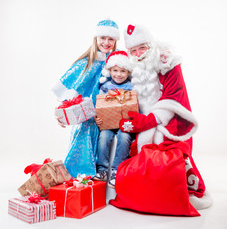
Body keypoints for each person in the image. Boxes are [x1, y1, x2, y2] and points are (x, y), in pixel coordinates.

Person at [117, 24, 212, 210]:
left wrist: (148, 121)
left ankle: (172, 190)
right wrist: (130, 119)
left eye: (142, 48)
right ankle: (149, 189)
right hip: (147, 123)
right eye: (133, 50)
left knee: (170, 157)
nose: (138, 54)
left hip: (172, 122)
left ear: (151, 46)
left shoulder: (168, 63)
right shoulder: (132, 69)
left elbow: (174, 97)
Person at [51, 19, 120, 178]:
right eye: (103, 38)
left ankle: (107, 175)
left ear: (115, 41)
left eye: (110, 39)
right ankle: (82, 178)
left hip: (110, 114)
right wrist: (62, 113)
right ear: (96, 38)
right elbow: (71, 90)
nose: (106, 42)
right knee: (85, 135)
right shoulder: (85, 63)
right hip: (88, 116)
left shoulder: (117, 61)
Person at [94, 51, 133, 188]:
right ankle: (102, 170)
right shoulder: (105, 87)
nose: (118, 74)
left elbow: (136, 106)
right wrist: (98, 118)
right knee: (104, 137)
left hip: (126, 124)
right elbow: (100, 106)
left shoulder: (132, 87)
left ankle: (117, 170)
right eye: (115, 70)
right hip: (109, 124)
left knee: (124, 137)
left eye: (123, 71)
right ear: (109, 70)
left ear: (128, 72)